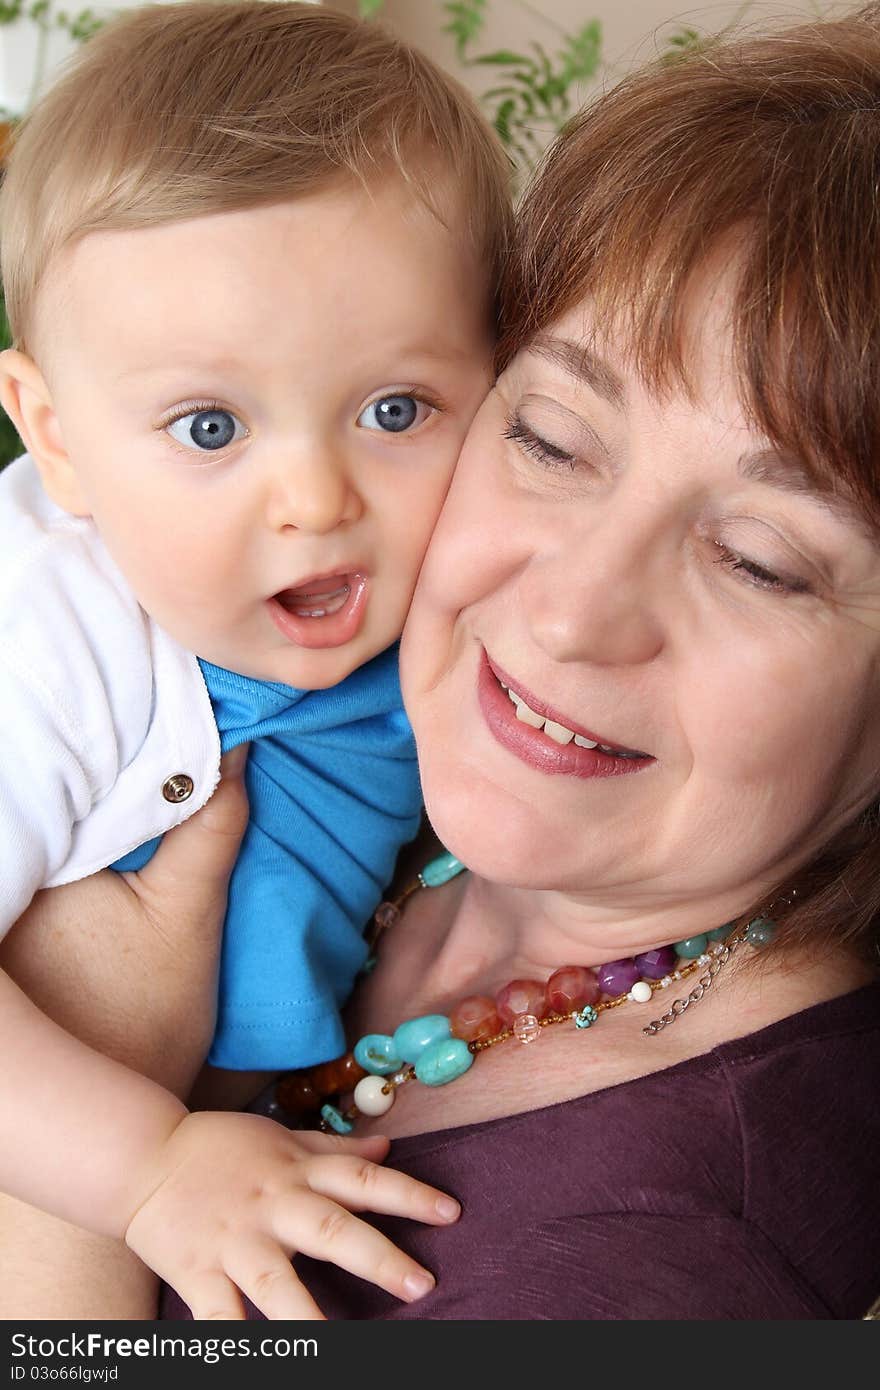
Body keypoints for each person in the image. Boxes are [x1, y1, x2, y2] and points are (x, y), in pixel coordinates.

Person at [9, 0, 880, 1322]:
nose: (575, 612)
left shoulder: (664, 1256)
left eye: (761, 558)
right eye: (554, 438)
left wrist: (78, 1178)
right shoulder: (233, 673)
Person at [0, 1, 511, 1319]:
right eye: (211, 424)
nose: (314, 496)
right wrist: (142, 1164)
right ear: (56, 440)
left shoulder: (463, 606)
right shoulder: (50, 646)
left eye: (396, 408)